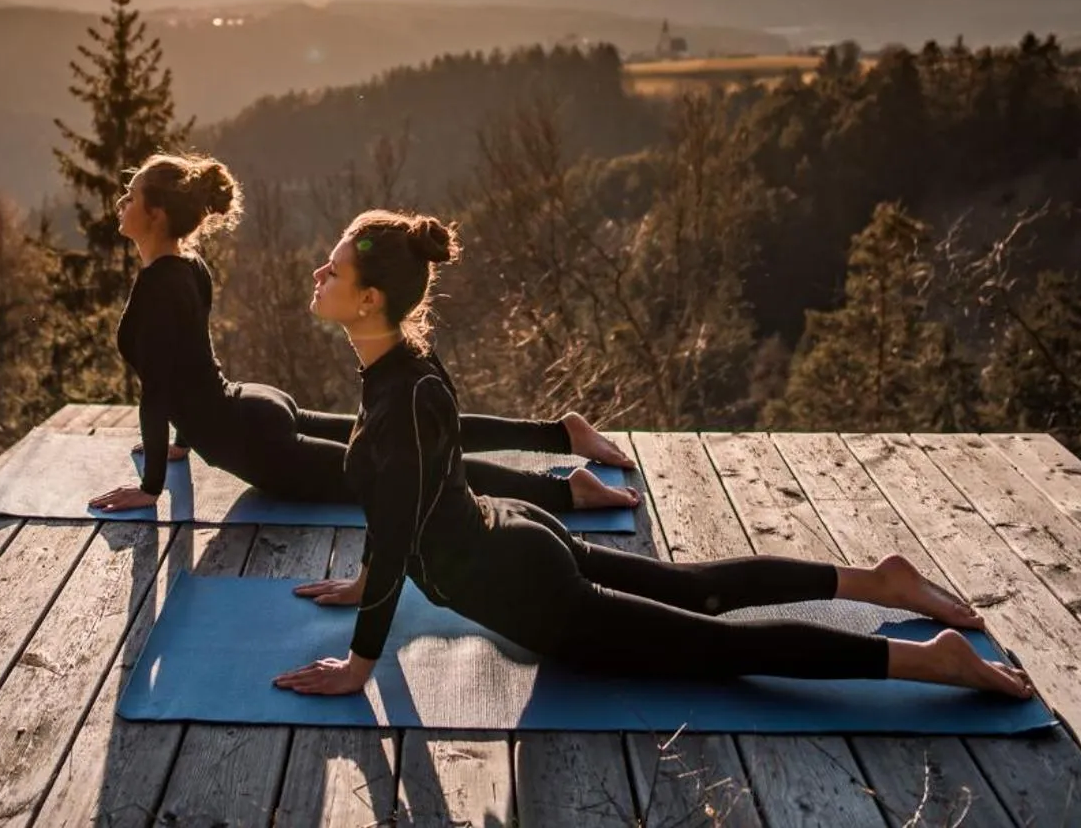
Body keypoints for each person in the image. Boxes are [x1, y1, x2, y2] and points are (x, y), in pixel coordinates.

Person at [273, 209, 1037, 702]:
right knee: (696, 589)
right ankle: (876, 582)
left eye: (333, 269)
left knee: (717, 646)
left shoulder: (399, 388)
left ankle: (931, 661)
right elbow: (423, 468)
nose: (318, 273)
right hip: (513, 539)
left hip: (527, 588)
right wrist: (367, 580)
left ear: (370, 299)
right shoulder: (401, 368)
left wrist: (360, 663)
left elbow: (399, 516)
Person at [88, 154, 638, 516]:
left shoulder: (159, 284)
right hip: (249, 408)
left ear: (155, 215)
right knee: (406, 442)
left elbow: (160, 387)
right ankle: (559, 435)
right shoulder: (188, 266)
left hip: (253, 443)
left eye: (130, 197)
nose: (121, 205)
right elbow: (189, 360)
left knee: (407, 471)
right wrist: (183, 441)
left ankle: (565, 490)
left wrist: (152, 486)